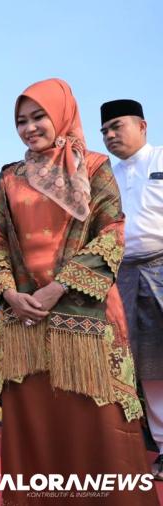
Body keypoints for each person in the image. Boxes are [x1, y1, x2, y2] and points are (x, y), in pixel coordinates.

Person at [0, 78, 157, 505]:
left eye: (39, 116)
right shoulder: (10, 177)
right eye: (20, 121)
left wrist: (57, 288)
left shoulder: (96, 168)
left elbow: (112, 233)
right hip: (24, 320)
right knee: (36, 422)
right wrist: (9, 294)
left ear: (61, 114)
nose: (29, 128)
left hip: (87, 317)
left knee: (97, 422)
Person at [100, 99, 163, 479]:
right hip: (123, 275)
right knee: (147, 366)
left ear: (142, 125)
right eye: (104, 130)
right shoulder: (105, 177)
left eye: (116, 126)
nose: (109, 135)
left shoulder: (161, 159)